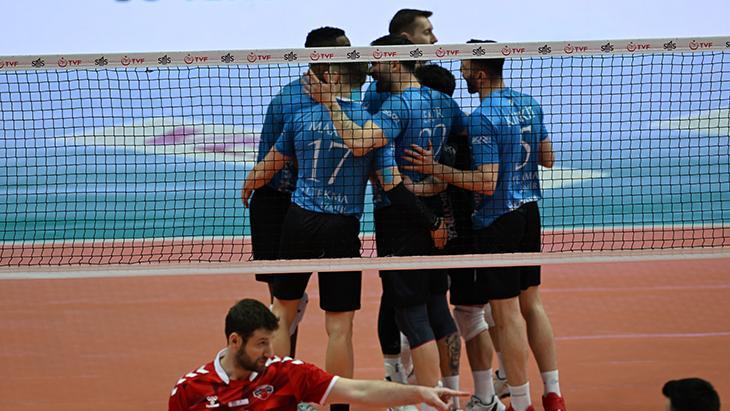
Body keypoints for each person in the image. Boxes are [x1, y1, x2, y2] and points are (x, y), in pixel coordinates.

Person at [242, 60, 446, 411]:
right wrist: (432, 217)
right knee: (339, 327)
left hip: (299, 222)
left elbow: (267, 169)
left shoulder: (301, 117)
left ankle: (278, 400)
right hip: (342, 228)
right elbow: (390, 184)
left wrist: (249, 185)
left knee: (282, 312)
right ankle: (339, 408)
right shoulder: (371, 127)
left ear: (332, 77)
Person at [401, 43, 534, 411]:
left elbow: (460, 183)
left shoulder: (457, 134)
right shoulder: (464, 125)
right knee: (479, 312)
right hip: (481, 229)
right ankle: (485, 391)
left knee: (471, 313)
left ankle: (485, 395)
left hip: (467, 234)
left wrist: (413, 185)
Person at [463, 37, 564, 411]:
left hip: (498, 219)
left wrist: (437, 169)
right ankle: (553, 392)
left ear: (480, 73)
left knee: (506, 315)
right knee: (532, 304)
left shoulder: (482, 117)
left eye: (465, 68)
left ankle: (521, 403)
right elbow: (548, 158)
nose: (461, 73)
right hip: (528, 213)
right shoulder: (528, 104)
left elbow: (486, 182)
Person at [247, 26, 351, 357]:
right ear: (322, 60)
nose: (352, 56)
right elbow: (280, 160)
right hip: (278, 203)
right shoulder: (291, 101)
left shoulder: (348, 97)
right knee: (282, 300)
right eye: (345, 51)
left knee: (297, 304)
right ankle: (283, 371)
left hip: (319, 208)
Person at [168, 299, 468, 411]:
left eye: (270, 342)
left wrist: (420, 392)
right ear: (235, 341)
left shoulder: (286, 373)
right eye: (260, 344)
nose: (269, 352)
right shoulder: (190, 391)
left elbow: (358, 390)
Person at [363, 10, 443, 399]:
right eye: (427, 32)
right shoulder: (382, 94)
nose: (434, 39)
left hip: (423, 208)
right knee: (399, 296)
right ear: (405, 41)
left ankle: (431, 390)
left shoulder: (432, 90)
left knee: (427, 302)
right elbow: (368, 145)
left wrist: (436, 179)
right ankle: (397, 375)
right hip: (398, 206)